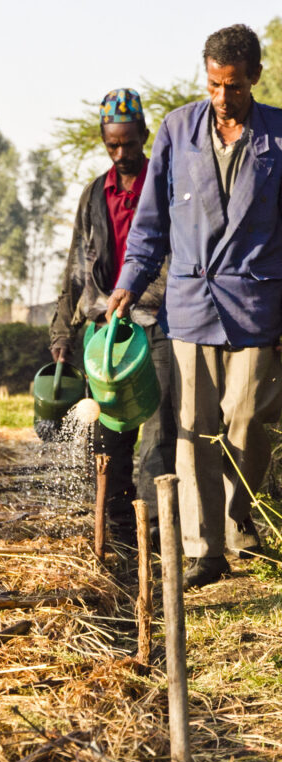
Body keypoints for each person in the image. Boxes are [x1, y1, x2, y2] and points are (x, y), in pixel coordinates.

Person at [108, 24, 282, 588]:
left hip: (256, 302)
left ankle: (239, 524)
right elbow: (150, 224)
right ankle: (205, 551)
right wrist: (129, 283)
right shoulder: (177, 129)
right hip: (190, 302)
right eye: (213, 85)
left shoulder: (278, 136)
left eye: (233, 86)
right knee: (191, 427)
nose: (222, 98)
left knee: (248, 419)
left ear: (254, 77)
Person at [50, 88, 176, 550]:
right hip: (107, 334)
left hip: (158, 323)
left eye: (128, 142)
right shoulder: (94, 195)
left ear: (144, 135)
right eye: (112, 144)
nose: (120, 153)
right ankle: (122, 538)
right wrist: (64, 330)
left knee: (158, 434)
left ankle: (158, 540)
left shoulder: (163, 187)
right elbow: (76, 269)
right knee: (108, 435)